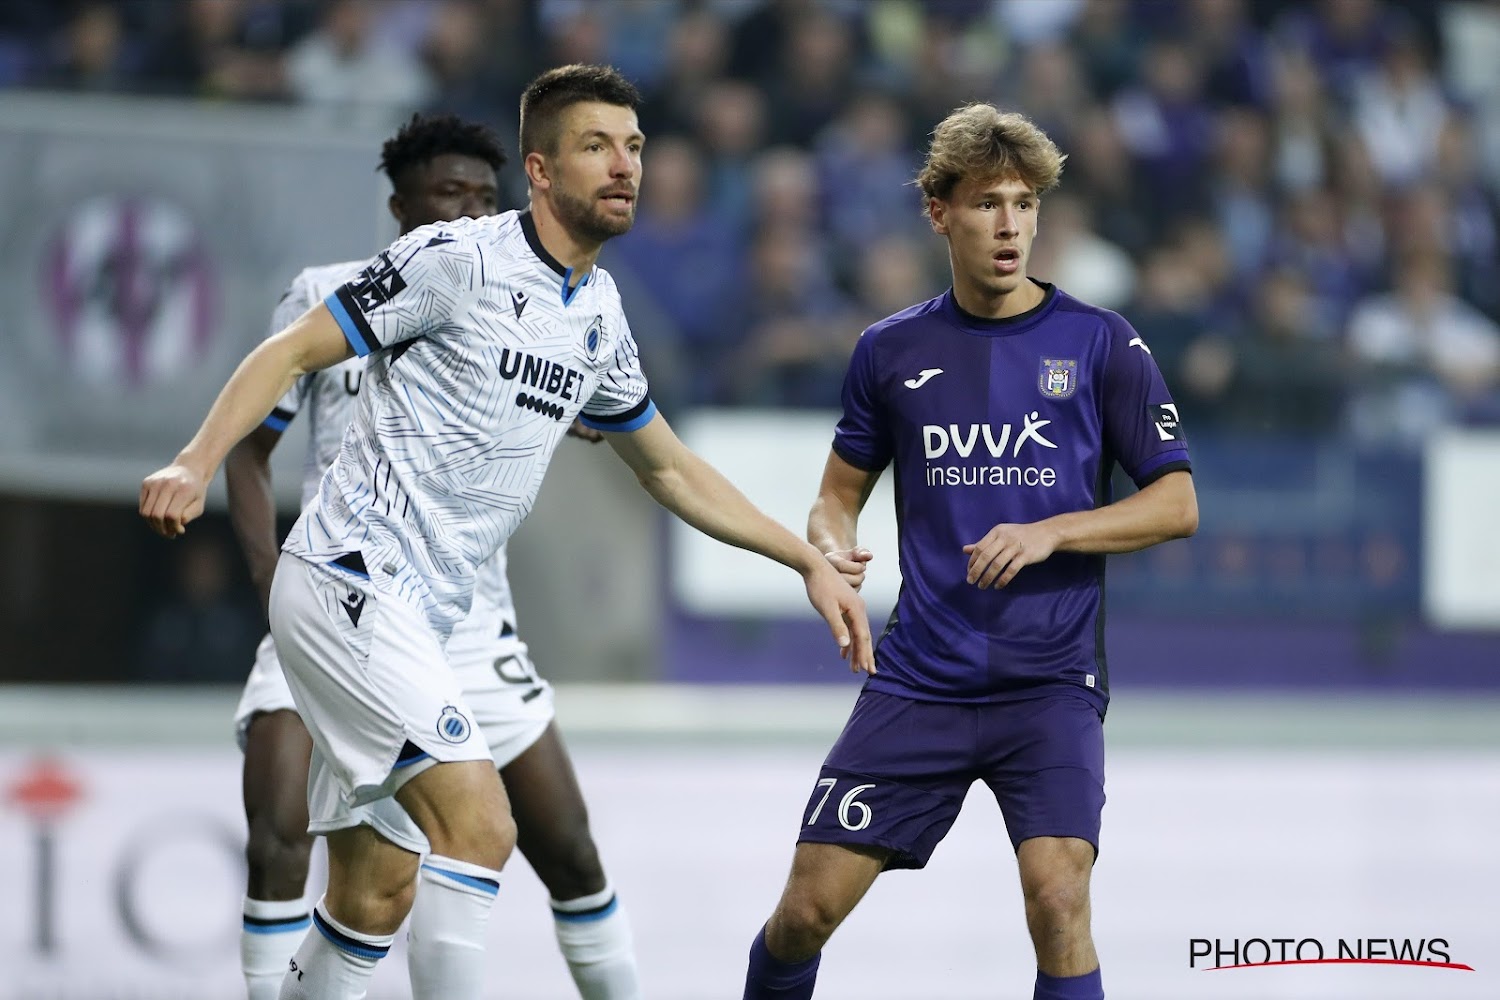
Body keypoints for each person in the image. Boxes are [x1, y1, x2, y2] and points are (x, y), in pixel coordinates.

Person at [140, 63, 873, 1000]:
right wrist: (196, 460)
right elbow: (291, 349)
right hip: (350, 581)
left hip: (431, 621)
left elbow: (671, 469)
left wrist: (803, 557)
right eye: (597, 147)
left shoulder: (600, 316)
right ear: (539, 168)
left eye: (636, 147)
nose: (626, 167)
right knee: (481, 826)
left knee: (374, 894)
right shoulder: (458, 261)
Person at [741, 103, 1199, 1000]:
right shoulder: (890, 350)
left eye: (1025, 204)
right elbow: (837, 496)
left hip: (1049, 682)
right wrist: (832, 549)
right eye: (988, 202)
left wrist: (1053, 529)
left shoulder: (1102, 344)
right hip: (922, 680)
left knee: (1059, 896)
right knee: (803, 913)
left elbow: (1177, 502)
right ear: (938, 211)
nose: (1010, 226)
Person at [225, 111, 644, 1000]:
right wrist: (268, 582)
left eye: (481, 198)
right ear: (398, 205)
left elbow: (591, 421)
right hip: (345, 589)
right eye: (446, 195)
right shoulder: (328, 292)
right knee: (283, 838)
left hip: (465, 615)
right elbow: (250, 445)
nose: (465, 212)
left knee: (551, 846)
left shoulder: (528, 292)